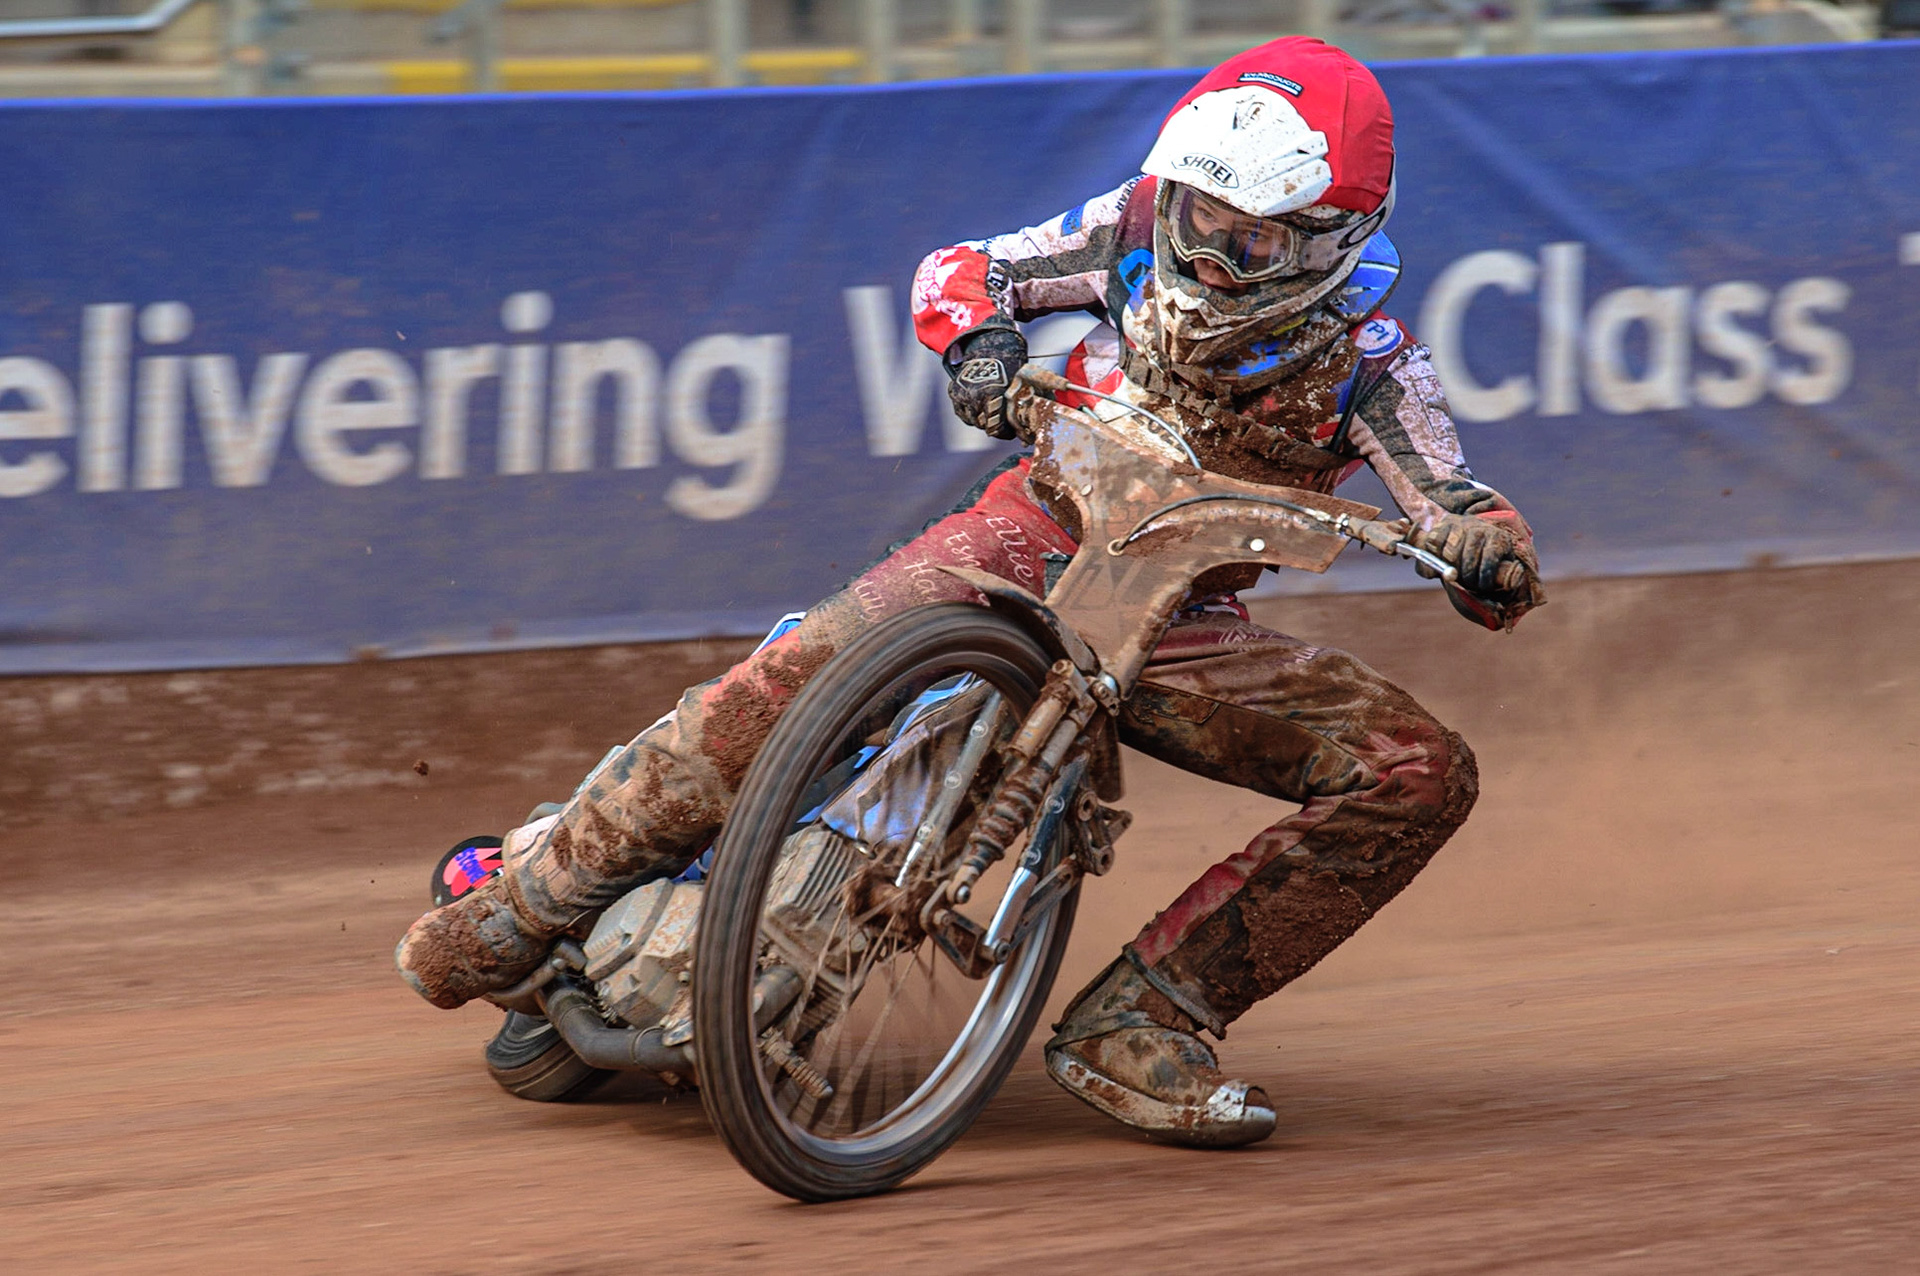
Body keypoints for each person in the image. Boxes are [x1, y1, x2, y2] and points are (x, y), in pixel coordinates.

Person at [395, 36, 1545, 1148]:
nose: (1208, 251)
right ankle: (523, 906)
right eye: (1199, 214)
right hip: (1026, 534)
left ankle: (1145, 1019)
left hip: (1178, 621)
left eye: (1249, 241)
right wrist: (978, 346)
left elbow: (1454, 487)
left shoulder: (1375, 360)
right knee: (791, 676)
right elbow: (962, 270)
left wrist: (1488, 550)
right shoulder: (1130, 228)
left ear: (1330, 241)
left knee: (1418, 771)